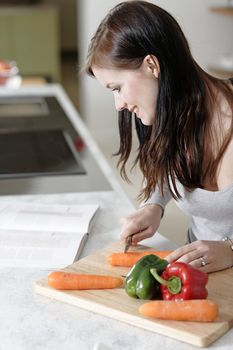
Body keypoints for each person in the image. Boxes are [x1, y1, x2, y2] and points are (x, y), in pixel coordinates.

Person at [85, 1, 233, 273]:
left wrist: (231, 250)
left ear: (152, 65)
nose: (118, 105)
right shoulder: (171, 108)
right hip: (198, 278)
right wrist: (154, 205)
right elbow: (170, 162)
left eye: (117, 88)